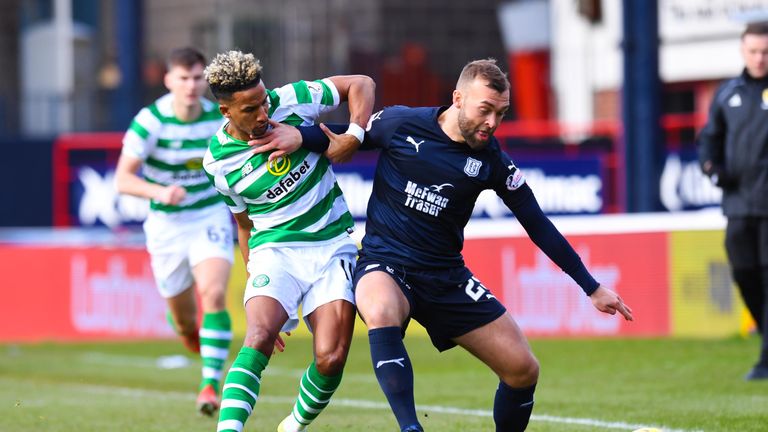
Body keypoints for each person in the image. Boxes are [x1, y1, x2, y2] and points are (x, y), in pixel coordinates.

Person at [253, 58, 634, 431]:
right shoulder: (401, 123)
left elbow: (537, 224)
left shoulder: (493, 161)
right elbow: (346, 134)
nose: (492, 123)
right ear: (457, 98)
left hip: (446, 276)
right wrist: (302, 135)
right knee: (381, 309)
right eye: (485, 110)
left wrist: (592, 286)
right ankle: (410, 428)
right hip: (385, 263)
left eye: (501, 114)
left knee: (523, 369)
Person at [202, 50, 375, 432]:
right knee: (260, 334)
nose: (264, 114)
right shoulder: (218, 164)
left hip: (333, 247)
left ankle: (293, 425)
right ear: (225, 112)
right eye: (250, 109)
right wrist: (256, 281)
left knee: (331, 358)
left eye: (263, 101)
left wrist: (353, 135)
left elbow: (361, 84)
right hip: (274, 253)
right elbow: (244, 225)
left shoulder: (292, 99)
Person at [115, 47, 234, 416]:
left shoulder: (219, 118)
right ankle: (189, 334)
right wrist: (159, 192)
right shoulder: (150, 122)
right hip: (166, 225)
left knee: (213, 294)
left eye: (198, 78)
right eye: (183, 78)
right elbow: (123, 179)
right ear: (168, 81)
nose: (191, 86)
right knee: (185, 322)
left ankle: (211, 384)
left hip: (208, 216)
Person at [698, 21, 768, 381]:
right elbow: (709, 139)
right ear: (744, 51)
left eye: (765, 52)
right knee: (744, 272)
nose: (759, 58)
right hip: (739, 204)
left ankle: (766, 359)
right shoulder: (727, 94)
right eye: (754, 51)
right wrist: (711, 166)